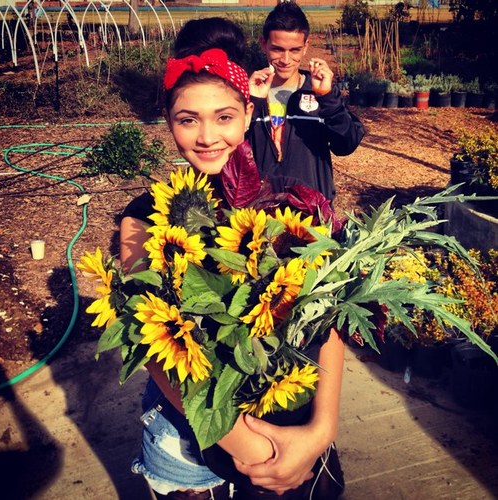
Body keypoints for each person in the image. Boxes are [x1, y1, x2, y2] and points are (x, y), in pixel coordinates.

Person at [120, 18, 345, 500]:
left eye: (223, 117)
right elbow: (157, 348)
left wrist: (321, 431)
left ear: (248, 113)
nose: (206, 137)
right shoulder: (144, 219)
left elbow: (324, 318)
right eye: (187, 119)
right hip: (191, 434)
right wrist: (251, 447)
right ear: (168, 121)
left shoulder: (285, 206)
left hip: (290, 423)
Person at [247, 1, 365, 203]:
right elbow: (231, 150)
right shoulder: (250, 92)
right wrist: (252, 102)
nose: (286, 59)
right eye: (277, 49)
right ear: (263, 44)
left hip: (312, 216)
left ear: (305, 47)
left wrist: (328, 98)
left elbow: (346, 145)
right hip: (258, 216)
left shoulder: (319, 92)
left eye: (294, 50)